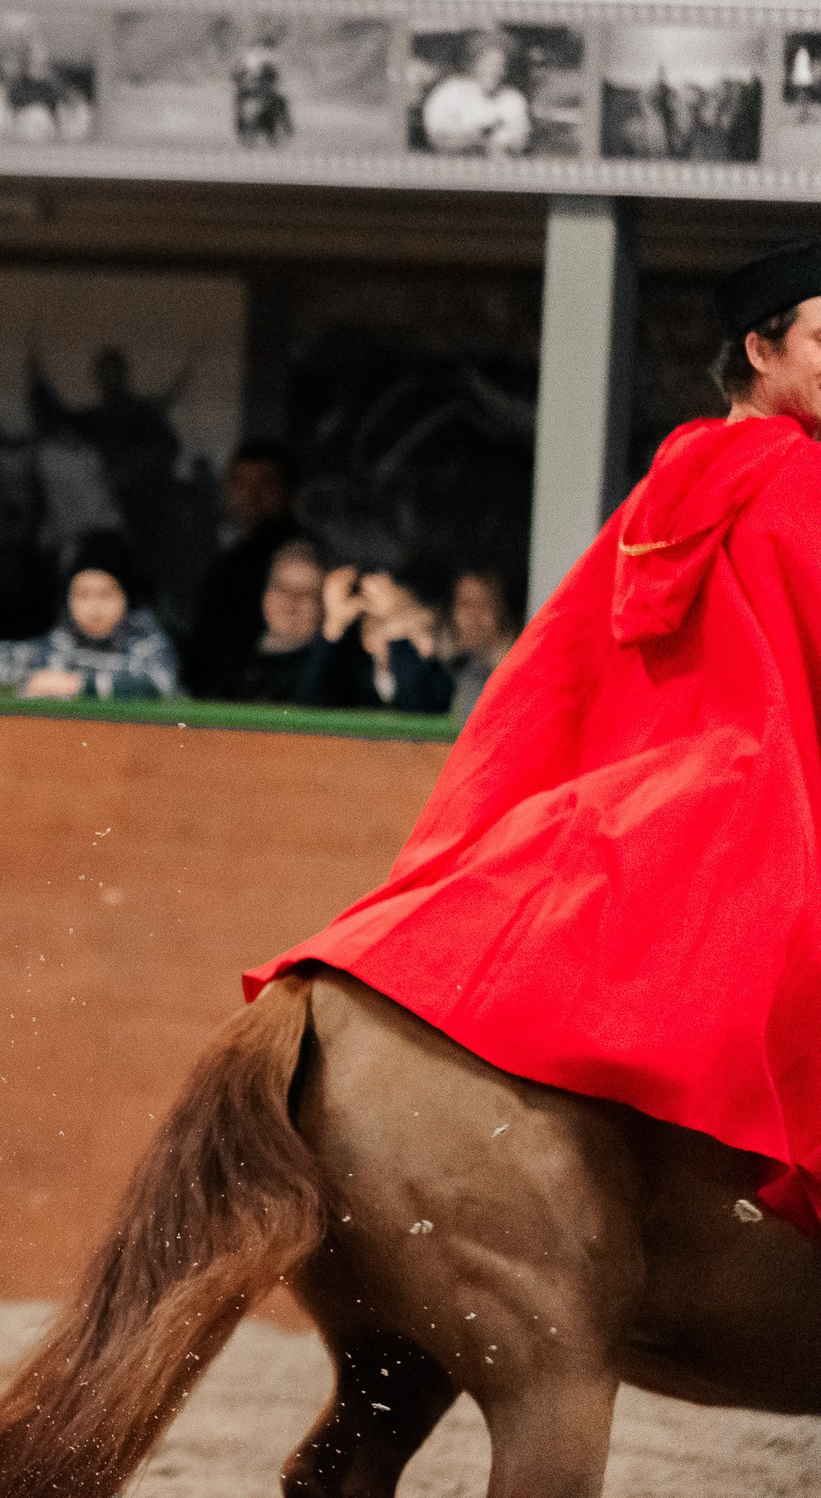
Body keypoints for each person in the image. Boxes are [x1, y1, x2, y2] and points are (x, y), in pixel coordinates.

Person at [248, 235, 821, 1236]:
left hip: (657, 788)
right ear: (758, 350)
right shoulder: (794, 483)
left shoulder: (671, 476)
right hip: (757, 793)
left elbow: (558, 670)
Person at [0, 532, 179, 701]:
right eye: (82, 595)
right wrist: (33, 680)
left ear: (127, 598)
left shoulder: (149, 646)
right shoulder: (58, 645)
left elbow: (159, 686)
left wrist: (76, 686)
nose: (93, 607)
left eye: (106, 594)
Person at [183, 440, 303, 696]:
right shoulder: (229, 552)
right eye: (241, 483)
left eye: (266, 483)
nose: (251, 494)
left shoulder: (296, 556)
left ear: (290, 491)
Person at [296, 563, 454, 714]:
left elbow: (417, 709)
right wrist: (334, 626)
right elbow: (308, 703)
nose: (403, 639)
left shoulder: (441, 678)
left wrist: (396, 625)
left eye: (419, 628)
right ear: (367, 637)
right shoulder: (355, 678)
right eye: (396, 629)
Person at [205, 538, 327, 703]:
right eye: (281, 587)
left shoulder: (329, 670)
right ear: (265, 594)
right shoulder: (230, 663)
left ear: (323, 604)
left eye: (306, 593)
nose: (290, 602)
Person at [419, 34, 534, 157]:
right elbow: (438, 136)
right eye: (490, 64)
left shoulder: (513, 99)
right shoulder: (451, 91)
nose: (495, 72)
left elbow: (519, 140)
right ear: (476, 65)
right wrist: (476, 138)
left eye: (500, 66)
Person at [442, 567, 519, 718]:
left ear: (503, 614)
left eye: (485, 606)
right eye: (466, 605)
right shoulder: (441, 668)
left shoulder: (520, 672)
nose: (474, 616)